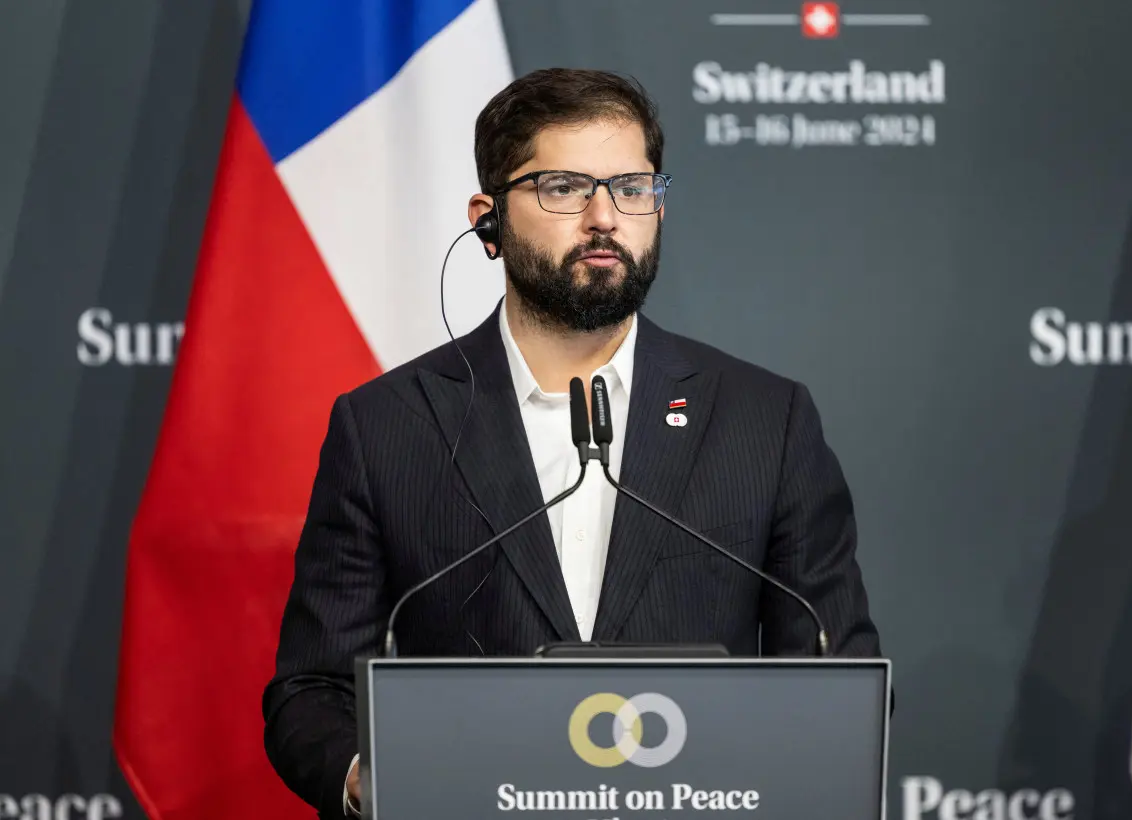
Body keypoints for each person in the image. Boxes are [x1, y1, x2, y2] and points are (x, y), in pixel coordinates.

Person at [262, 67, 881, 819]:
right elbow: (312, 690)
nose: (605, 217)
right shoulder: (388, 425)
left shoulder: (763, 420)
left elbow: (836, 677)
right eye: (562, 187)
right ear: (487, 220)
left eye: (632, 187)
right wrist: (375, 780)